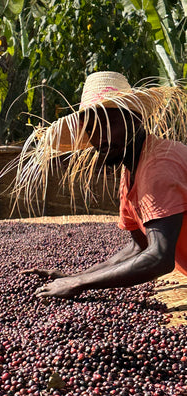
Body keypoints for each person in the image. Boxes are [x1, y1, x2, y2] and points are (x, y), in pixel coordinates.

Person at [17, 71, 187, 298]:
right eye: (91, 129)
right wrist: (74, 277)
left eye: (108, 123)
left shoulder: (158, 167)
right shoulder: (131, 172)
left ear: (134, 119)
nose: (99, 138)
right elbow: (140, 247)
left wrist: (79, 284)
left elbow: (159, 257)